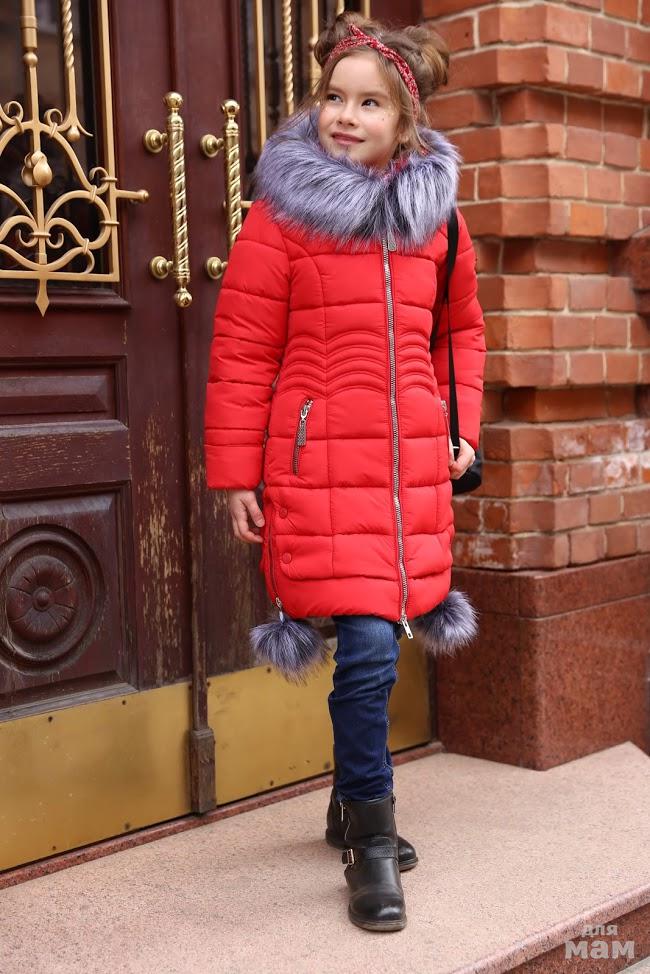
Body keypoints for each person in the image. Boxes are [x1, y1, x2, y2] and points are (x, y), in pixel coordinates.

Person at [204, 11, 487, 933]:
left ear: (406, 122)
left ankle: (345, 801)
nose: (345, 115)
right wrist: (236, 474)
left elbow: (459, 332)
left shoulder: (437, 222)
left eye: (369, 103)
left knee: (378, 647)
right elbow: (243, 350)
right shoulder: (280, 218)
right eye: (334, 97)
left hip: (406, 473)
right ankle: (372, 840)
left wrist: (463, 431)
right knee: (366, 649)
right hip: (318, 464)